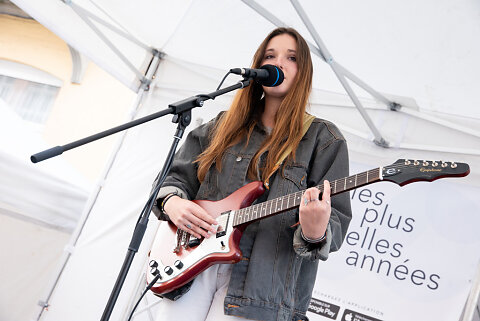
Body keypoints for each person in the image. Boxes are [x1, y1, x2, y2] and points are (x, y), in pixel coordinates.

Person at [151, 27, 352, 321]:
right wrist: (173, 203)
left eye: (291, 57)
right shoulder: (224, 125)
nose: (278, 63)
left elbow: (335, 223)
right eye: (270, 56)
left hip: (260, 290)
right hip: (193, 264)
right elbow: (174, 178)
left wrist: (315, 230)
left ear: (303, 71)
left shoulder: (325, 140)